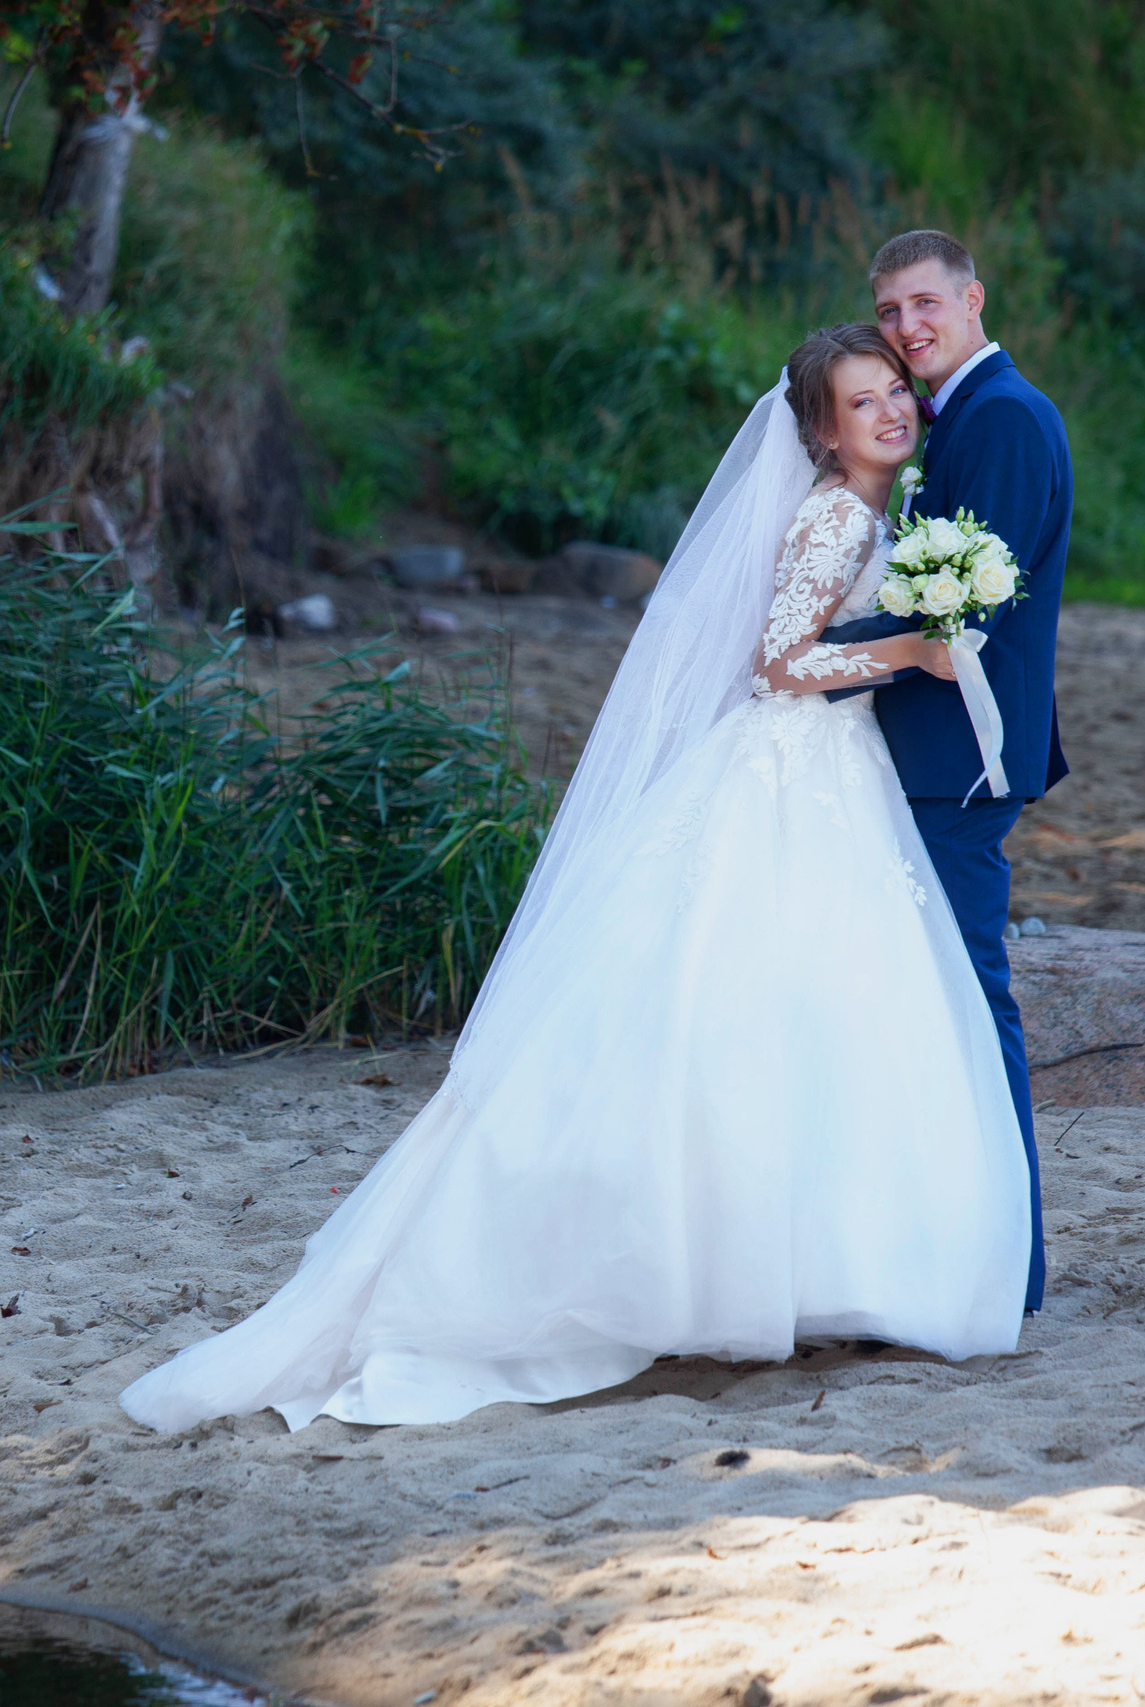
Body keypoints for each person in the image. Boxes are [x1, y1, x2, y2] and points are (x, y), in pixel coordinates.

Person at [119, 323, 1035, 1433]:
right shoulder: (836, 514)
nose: (891, 410)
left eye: (896, 390)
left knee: (805, 1021)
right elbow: (780, 664)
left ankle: (797, 1274)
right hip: (789, 776)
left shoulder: (877, 514)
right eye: (862, 401)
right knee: (754, 1013)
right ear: (820, 432)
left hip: (834, 780)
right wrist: (908, 652)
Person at [820, 229, 1073, 1316]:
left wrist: (810, 659)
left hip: (957, 759)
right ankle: (950, 1253)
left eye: (923, 303)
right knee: (930, 1005)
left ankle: (1005, 1269)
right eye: (887, 313)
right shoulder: (954, 415)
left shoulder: (1003, 418)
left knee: (971, 1002)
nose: (907, 327)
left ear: (971, 298)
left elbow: (969, 606)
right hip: (930, 750)